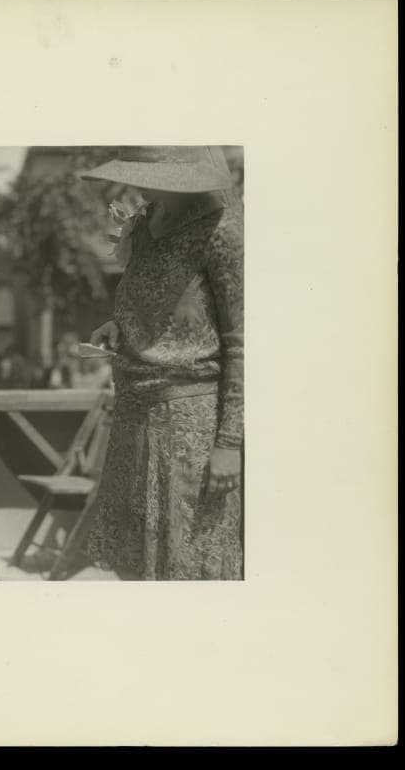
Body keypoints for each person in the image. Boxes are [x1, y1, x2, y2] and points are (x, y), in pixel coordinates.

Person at [77, 146, 244, 580]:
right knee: (136, 568)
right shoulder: (147, 221)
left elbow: (241, 342)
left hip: (190, 427)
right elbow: (162, 303)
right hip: (133, 418)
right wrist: (122, 325)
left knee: (188, 568)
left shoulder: (221, 229)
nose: (138, 185)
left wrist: (229, 444)